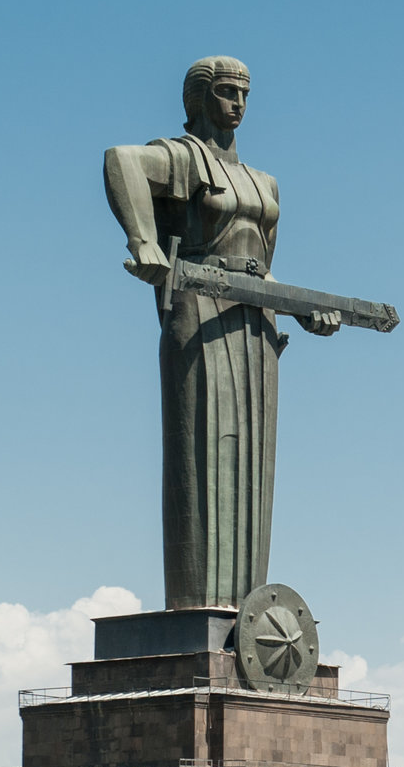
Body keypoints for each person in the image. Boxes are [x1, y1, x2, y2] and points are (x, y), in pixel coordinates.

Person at [103, 57, 340, 611]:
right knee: (200, 455)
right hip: (199, 313)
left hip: (256, 326)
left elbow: (259, 266)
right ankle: (196, 607)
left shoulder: (265, 182)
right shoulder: (185, 159)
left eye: (244, 94)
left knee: (253, 465)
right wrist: (144, 242)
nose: (238, 103)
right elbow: (121, 161)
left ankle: (244, 609)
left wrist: (303, 309)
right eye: (226, 92)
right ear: (198, 99)